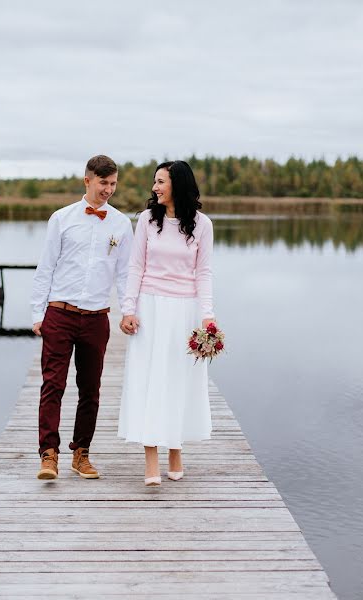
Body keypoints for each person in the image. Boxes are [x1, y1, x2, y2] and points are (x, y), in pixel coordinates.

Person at [30, 155, 133, 480]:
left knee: (91, 389)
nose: (109, 190)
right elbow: (45, 267)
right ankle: (49, 455)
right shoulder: (61, 218)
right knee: (53, 386)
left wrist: (128, 310)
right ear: (87, 180)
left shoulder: (120, 224)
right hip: (59, 313)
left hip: (96, 318)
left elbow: (125, 273)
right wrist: (38, 313)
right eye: (104, 183)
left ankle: (81, 453)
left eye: (113, 184)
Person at [118, 160, 216, 486]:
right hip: (150, 308)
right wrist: (128, 309)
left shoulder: (202, 225)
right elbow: (135, 266)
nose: (155, 188)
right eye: (155, 182)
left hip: (185, 310)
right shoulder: (147, 220)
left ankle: (175, 448)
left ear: (178, 185)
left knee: (177, 379)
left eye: (160, 182)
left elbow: (203, 273)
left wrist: (208, 317)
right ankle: (150, 457)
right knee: (149, 379)